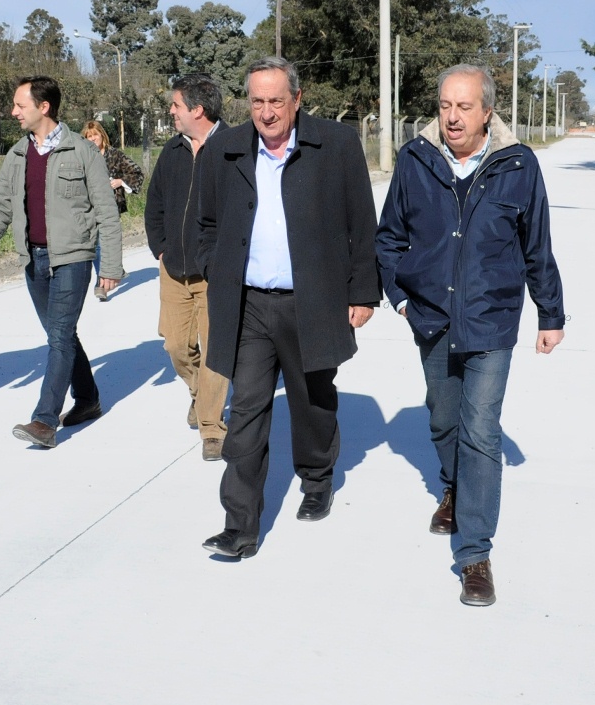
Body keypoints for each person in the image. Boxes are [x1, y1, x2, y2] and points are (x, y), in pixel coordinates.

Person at [376, 64, 565, 606]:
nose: (453, 117)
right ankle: (453, 486)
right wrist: (402, 297)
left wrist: (549, 314)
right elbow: (389, 237)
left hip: (491, 319)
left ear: (487, 112)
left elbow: (537, 245)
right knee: (443, 417)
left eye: (464, 107)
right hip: (431, 315)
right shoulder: (416, 160)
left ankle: (475, 554)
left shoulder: (518, 165)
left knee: (480, 430)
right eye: (445, 106)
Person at [197, 56, 380, 559]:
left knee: (312, 401)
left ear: (297, 100)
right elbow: (207, 221)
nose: (267, 112)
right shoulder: (227, 149)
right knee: (248, 408)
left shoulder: (336, 145)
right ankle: (240, 525)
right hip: (250, 304)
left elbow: (362, 223)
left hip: (313, 302)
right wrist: (218, 269)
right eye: (257, 101)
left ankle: (317, 478)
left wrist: (362, 292)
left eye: (277, 101)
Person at [0, 76, 124, 449]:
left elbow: (106, 212)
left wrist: (111, 268)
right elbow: (1, 205)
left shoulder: (81, 152)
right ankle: (88, 400)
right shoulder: (17, 154)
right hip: (32, 260)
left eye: (20, 105)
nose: (13, 112)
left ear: (44, 107)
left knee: (57, 337)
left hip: (72, 259)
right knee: (62, 335)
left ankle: (44, 420)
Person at [144, 73, 230, 460]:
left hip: (217, 273)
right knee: (176, 345)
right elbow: (155, 203)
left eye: (176, 105)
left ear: (197, 109)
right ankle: (199, 395)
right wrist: (160, 247)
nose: (171, 110)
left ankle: (212, 427)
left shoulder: (233, 148)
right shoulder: (172, 150)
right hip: (174, 269)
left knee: (215, 351)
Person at [81, 120, 143, 301]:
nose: (93, 139)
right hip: (88, 206)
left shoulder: (114, 155)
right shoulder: (83, 155)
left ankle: (101, 283)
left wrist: (120, 182)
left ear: (102, 135)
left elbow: (136, 172)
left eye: (95, 135)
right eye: (89, 136)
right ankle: (114, 268)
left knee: (101, 242)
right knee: (93, 243)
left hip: (110, 205)